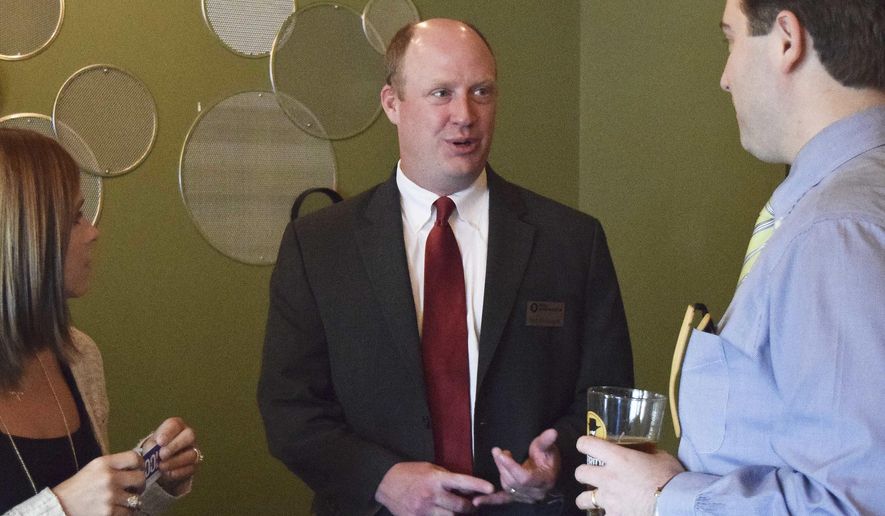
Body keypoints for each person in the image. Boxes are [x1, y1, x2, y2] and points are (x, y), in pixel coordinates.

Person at [258, 18, 633, 516]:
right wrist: (384, 480)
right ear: (392, 103)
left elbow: (608, 396)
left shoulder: (571, 241)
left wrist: (555, 461)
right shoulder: (320, 246)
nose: (465, 114)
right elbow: (291, 410)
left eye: (482, 91)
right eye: (441, 93)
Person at [575, 0, 885, 514]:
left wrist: (662, 497)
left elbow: (856, 501)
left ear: (787, 39)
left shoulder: (834, 231)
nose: (723, 78)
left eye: (730, 39)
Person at [0, 128, 202, 515]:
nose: (94, 233)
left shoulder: (80, 357)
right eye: (76, 217)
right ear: (26, 236)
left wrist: (152, 478)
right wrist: (59, 506)